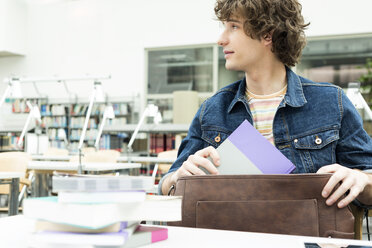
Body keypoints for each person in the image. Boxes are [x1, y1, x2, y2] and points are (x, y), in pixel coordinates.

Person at [159, 0, 372, 208]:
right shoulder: (212, 110)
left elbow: (368, 181)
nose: (221, 40)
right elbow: (166, 186)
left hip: (310, 240)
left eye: (233, 26)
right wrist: (177, 177)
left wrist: (361, 179)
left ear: (267, 34)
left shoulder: (331, 103)